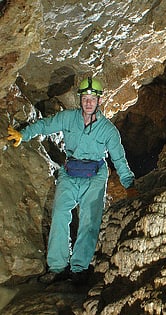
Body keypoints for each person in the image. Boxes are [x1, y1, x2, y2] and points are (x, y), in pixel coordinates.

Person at [7, 77, 135, 285]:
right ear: (80, 99)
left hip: (95, 175)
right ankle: (57, 267)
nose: (88, 102)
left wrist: (129, 184)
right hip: (71, 170)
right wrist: (23, 134)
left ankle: (79, 268)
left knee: (89, 221)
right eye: (85, 98)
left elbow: (119, 158)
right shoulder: (68, 118)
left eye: (93, 99)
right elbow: (46, 125)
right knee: (59, 214)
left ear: (99, 101)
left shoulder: (108, 130)